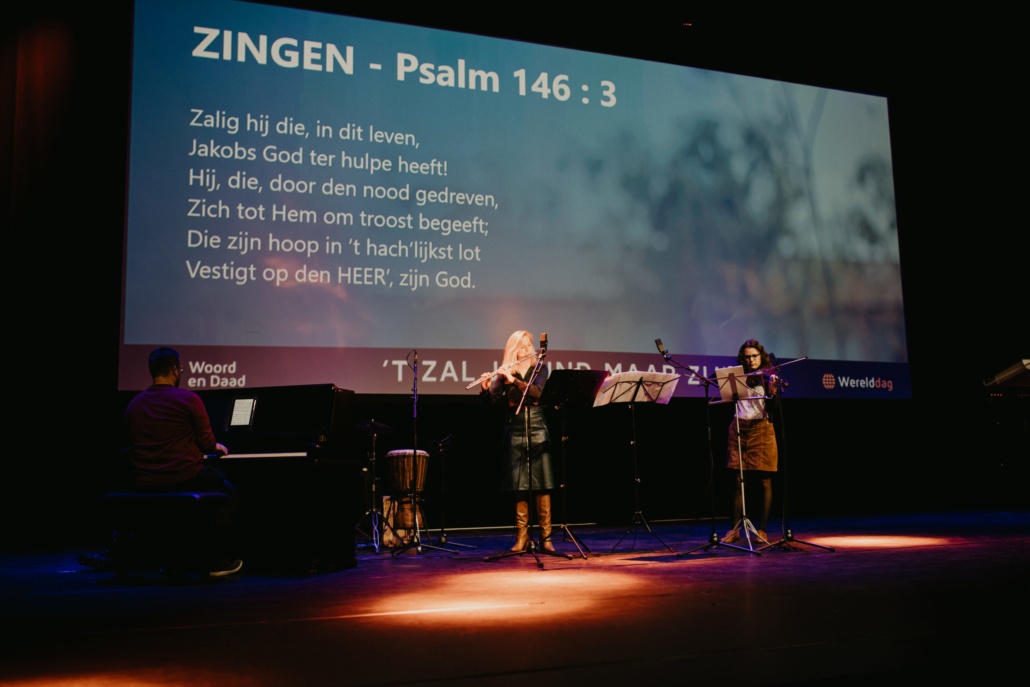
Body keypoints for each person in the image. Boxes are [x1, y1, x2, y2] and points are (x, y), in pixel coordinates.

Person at [84, 347, 242, 577]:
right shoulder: (189, 399)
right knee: (230, 495)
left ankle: (144, 555)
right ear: (175, 370)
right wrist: (215, 446)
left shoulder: (134, 404)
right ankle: (214, 560)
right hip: (184, 475)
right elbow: (207, 444)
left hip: (144, 480)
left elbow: (131, 444)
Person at [480, 330, 557, 552]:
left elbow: (537, 394)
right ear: (514, 350)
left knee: (543, 483)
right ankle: (522, 537)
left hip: (537, 425)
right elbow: (493, 404)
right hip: (514, 427)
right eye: (522, 346)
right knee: (519, 484)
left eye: (529, 345)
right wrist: (485, 389)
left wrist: (513, 380)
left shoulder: (540, 369)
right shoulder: (505, 372)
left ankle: (546, 538)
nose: (528, 349)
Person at [723, 339, 781, 545]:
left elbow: (772, 409)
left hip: (762, 428)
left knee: (764, 480)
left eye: (754, 356)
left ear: (761, 356)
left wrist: (772, 393)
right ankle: (734, 529)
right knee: (737, 480)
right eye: (747, 357)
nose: (751, 360)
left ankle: (762, 530)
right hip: (739, 427)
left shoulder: (768, 377)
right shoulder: (736, 377)